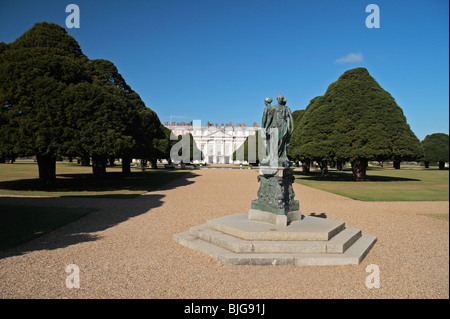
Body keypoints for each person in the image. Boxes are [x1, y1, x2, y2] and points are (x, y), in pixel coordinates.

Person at [261, 94, 294, 167]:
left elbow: (290, 117)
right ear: (277, 99)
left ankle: (280, 156)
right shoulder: (273, 108)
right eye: (279, 98)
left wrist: (292, 127)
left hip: (283, 126)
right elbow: (269, 118)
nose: (280, 99)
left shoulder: (286, 108)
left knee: (282, 141)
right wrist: (266, 127)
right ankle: (274, 157)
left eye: (281, 98)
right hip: (275, 126)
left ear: (282, 99)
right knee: (276, 141)